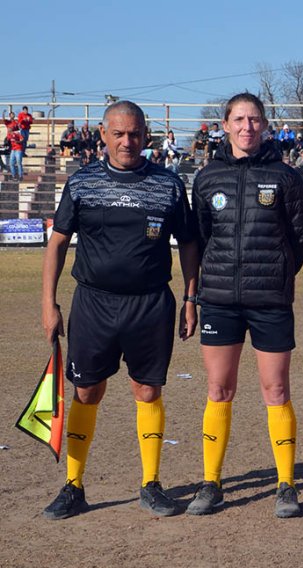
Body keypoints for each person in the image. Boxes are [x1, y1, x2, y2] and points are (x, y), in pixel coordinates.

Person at [40, 100, 200, 520]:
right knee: (87, 391)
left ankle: (151, 483)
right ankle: (74, 485)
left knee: (147, 390)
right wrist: (48, 303)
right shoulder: (82, 183)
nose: (127, 141)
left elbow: (187, 243)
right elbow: (57, 243)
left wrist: (190, 298)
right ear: (103, 136)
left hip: (150, 304)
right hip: (94, 302)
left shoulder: (167, 184)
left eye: (135, 134)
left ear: (146, 136)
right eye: (119, 133)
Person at [187, 92, 303, 518]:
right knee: (219, 390)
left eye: (255, 119)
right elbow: (201, 239)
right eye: (239, 119)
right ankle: (211, 483)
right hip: (219, 300)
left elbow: (300, 240)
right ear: (225, 124)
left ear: (265, 125)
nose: (247, 127)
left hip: (270, 301)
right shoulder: (206, 179)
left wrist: (276, 274)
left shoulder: (285, 177)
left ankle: (286, 484)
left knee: (275, 390)